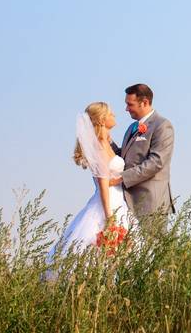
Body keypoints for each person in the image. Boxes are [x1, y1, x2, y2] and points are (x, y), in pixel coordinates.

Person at [46, 102, 134, 261]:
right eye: (110, 114)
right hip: (108, 204)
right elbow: (103, 185)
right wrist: (109, 217)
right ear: (101, 120)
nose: (114, 116)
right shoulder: (99, 147)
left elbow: (109, 178)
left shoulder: (107, 142)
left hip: (120, 200)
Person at [109, 83, 175, 218]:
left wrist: (121, 178)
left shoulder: (162, 126)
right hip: (129, 203)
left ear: (144, 102)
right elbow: (124, 158)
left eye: (130, 104)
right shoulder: (132, 127)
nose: (126, 109)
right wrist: (106, 140)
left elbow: (156, 162)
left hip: (151, 205)